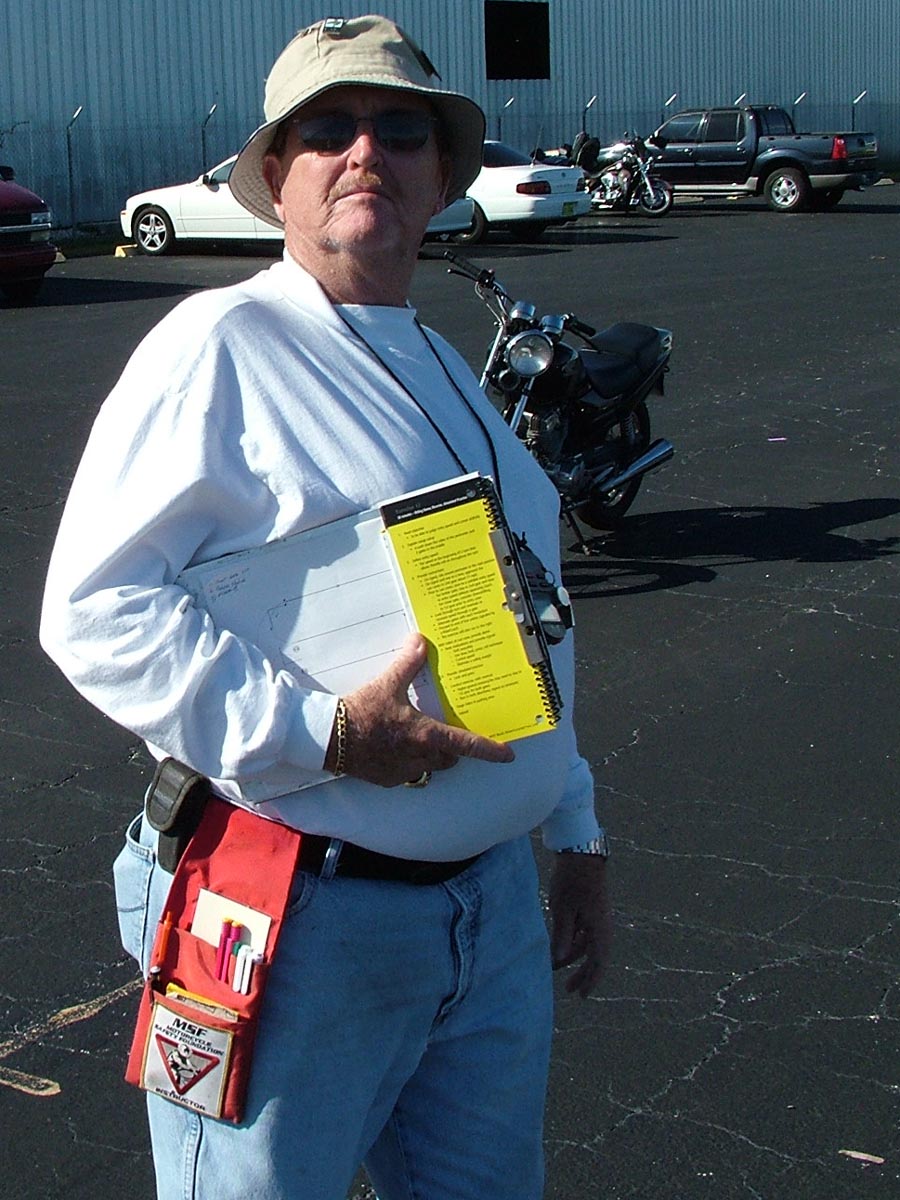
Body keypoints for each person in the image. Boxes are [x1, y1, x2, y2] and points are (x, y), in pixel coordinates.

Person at [40, 14, 611, 1200]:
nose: (366, 152)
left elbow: (522, 620)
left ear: (440, 178)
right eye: (328, 130)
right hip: (296, 907)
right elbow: (95, 610)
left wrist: (572, 825)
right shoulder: (224, 345)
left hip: (487, 910)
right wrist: (327, 735)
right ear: (277, 175)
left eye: (400, 130)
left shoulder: (441, 365)